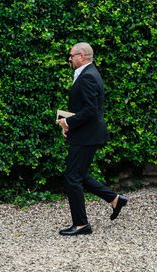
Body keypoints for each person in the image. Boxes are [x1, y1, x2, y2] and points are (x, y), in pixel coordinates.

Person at [56, 42, 129, 236]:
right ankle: (115, 199)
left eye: (71, 55)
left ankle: (81, 225)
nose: (69, 58)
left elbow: (90, 110)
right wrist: (68, 124)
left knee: (73, 178)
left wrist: (68, 123)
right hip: (84, 133)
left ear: (81, 56)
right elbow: (86, 109)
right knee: (79, 175)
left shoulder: (88, 76)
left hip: (86, 136)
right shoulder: (88, 73)